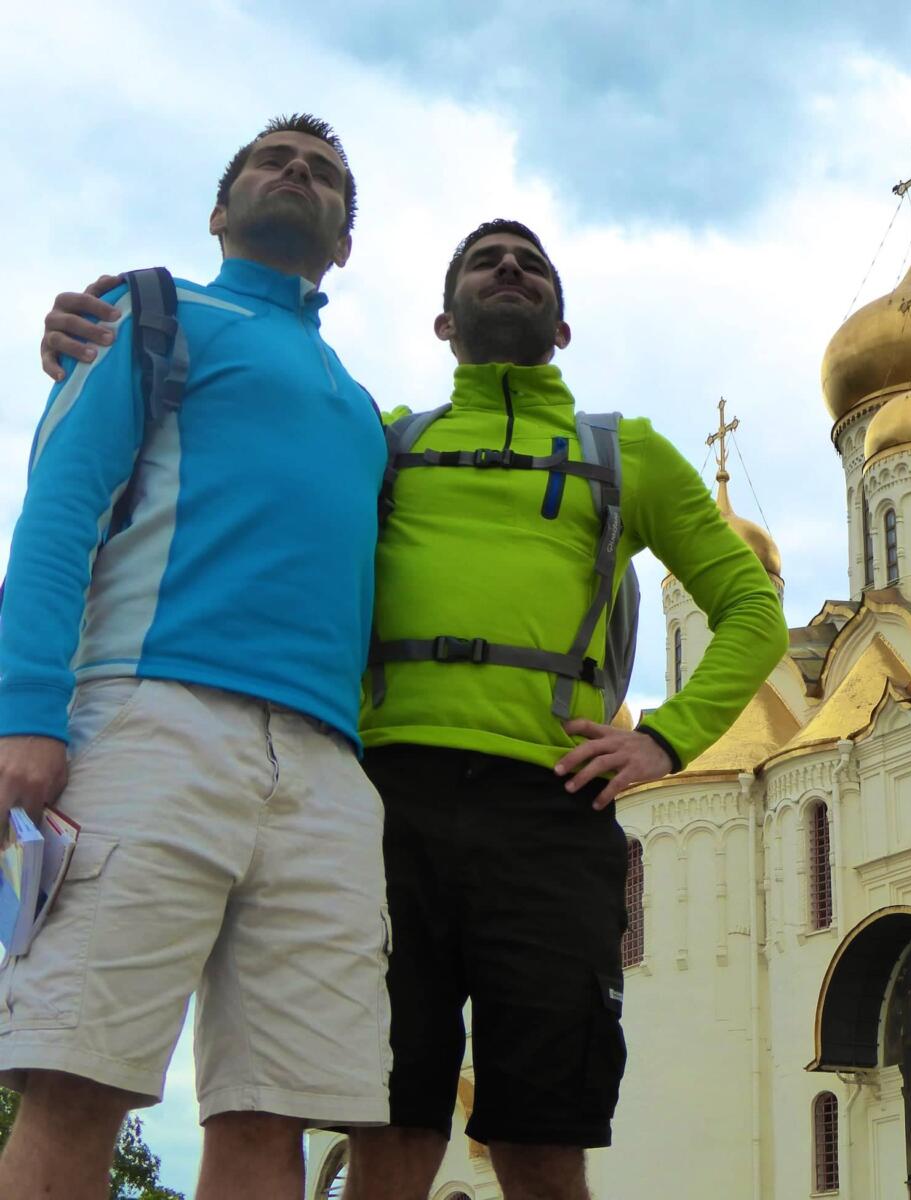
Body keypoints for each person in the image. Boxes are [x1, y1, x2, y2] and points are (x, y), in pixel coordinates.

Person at [40, 219, 790, 1200]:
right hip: (385, 811)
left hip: (551, 810)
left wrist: (663, 739)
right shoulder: (385, 442)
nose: (510, 270)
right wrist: (97, 339)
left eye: (531, 265)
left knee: (542, 1126)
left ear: (562, 327)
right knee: (385, 1113)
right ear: (445, 321)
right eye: (485, 261)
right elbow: (250, 446)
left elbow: (750, 610)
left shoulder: (624, 453)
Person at [1, 115, 392, 1200]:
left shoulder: (362, 407)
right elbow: (59, 508)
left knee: (273, 1108)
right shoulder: (149, 312)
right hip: (146, 718)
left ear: (345, 246)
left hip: (324, 769)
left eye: (323, 173)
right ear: (219, 212)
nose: (298, 175)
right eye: (273, 160)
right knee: (75, 1073)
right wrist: (26, 713)